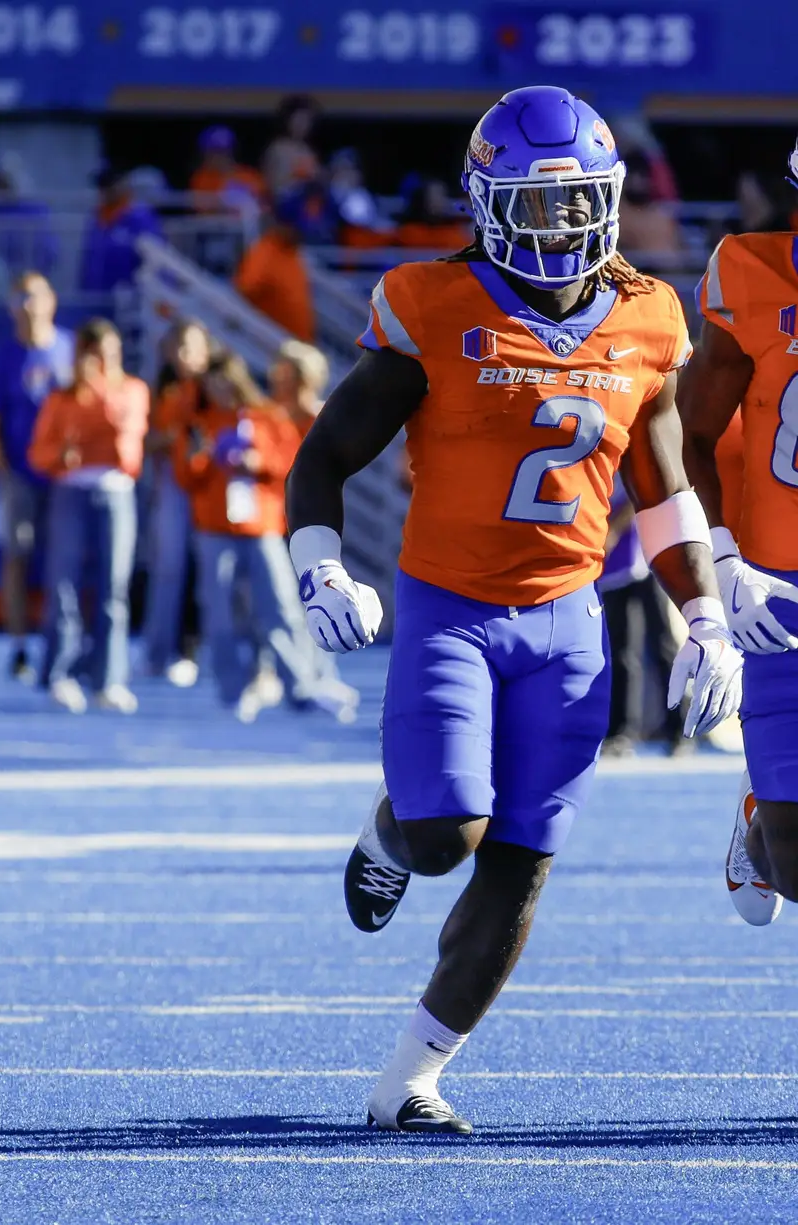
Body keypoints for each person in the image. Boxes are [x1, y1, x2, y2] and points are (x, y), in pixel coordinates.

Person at [286, 85, 743, 1135]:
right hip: (451, 607)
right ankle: (393, 831)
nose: (564, 227)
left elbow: (664, 488)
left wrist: (705, 616)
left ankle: (410, 1079)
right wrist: (322, 565)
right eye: (537, 208)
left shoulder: (646, 316)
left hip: (569, 622)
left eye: (580, 203)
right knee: (448, 832)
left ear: (612, 200)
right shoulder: (434, 303)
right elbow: (325, 453)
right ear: (486, 206)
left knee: (526, 857)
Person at [678, 134, 798, 929]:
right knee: (791, 871)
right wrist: (722, 554)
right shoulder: (754, 273)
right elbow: (686, 432)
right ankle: (760, 813)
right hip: (775, 588)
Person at [173, 351, 325, 718]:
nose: (220, 388)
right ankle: (231, 689)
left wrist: (260, 464)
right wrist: (205, 457)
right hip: (214, 529)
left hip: (261, 528)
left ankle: (299, 685)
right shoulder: (198, 423)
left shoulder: (266, 416)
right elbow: (185, 477)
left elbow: (292, 462)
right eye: (212, 382)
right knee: (219, 612)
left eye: (225, 378)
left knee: (280, 608)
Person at [28, 319, 149, 714]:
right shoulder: (61, 398)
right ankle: (59, 673)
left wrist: (93, 390)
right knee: (64, 585)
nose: (105, 360)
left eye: (111, 352)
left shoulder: (132, 389)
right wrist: (62, 455)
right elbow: (40, 452)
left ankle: (108, 679)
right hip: (71, 492)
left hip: (116, 493)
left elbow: (120, 435)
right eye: (96, 354)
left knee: (113, 589)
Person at [0, 272, 74, 681]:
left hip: (66, 479)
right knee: (16, 558)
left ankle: (64, 644)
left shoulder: (70, 350)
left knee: (65, 561)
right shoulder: (3, 358)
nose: (27, 304)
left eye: (35, 295)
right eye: (19, 296)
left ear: (52, 300)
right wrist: (5, 475)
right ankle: (20, 646)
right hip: (20, 476)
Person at [142, 319, 211, 684]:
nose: (185, 356)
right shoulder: (162, 392)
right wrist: (172, 437)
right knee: (169, 567)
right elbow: (146, 440)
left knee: (214, 570)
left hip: (212, 485)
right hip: (174, 482)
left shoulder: (217, 387)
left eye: (192, 347)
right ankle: (160, 651)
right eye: (179, 347)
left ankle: (201, 651)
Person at [599, 475, 687, 756]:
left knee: (663, 644)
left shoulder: (632, 443)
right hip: (612, 565)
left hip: (648, 557)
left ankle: (679, 730)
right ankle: (622, 732)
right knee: (621, 649)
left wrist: (614, 529)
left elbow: (641, 492)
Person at [234, 205, 315, 342]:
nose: (299, 233)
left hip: (299, 342)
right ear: (283, 226)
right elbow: (245, 288)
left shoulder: (294, 253)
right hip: (274, 344)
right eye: (295, 228)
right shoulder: (264, 252)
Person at [78, 166, 163, 294]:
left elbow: (154, 257)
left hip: (128, 298)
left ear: (123, 183)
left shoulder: (139, 216)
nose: (105, 190)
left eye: (109, 184)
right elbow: (88, 259)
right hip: (96, 296)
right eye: (102, 185)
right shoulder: (96, 217)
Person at [189, 126, 266, 216]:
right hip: (213, 227)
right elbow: (201, 211)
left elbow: (262, 206)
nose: (218, 157)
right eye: (212, 152)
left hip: (246, 226)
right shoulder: (201, 178)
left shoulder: (250, 175)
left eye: (222, 151)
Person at [261, 95, 321, 201]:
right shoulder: (277, 149)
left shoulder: (309, 151)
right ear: (288, 120)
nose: (303, 125)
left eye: (307, 120)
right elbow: (275, 187)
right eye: (299, 119)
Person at [268, 339, 329, 438]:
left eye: (287, 377)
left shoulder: (326, 421)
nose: (279, 380)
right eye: (277, 375)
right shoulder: (265, 420)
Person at [394, 179, 473, 250]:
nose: (441, 201)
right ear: (422, 200)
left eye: (442, 195)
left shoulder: (456, 233)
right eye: (435, 196)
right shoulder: (407, 233)